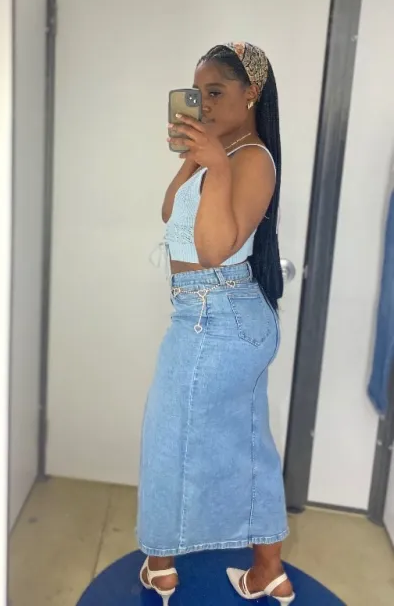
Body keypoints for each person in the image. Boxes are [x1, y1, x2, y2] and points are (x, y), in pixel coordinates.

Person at [137, 42, 295, 605]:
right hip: (221, 315)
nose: (203, 103)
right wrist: (195, 156)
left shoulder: (251, 159)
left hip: (213, 313)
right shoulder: (222, 152)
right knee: (247, 443)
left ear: (251, 93)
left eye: (216, 92)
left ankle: (160, 565)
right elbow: (170, 212)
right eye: (198, 93)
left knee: (168, 439)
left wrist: (219, 166)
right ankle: (268, 571)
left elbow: (211, 251)